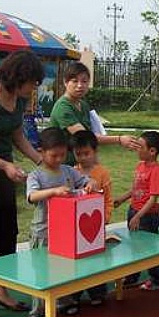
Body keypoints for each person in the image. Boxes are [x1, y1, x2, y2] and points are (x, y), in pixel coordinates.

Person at [0, 50, 44, 317]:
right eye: (32, 82)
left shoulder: (17, 100)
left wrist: (41, 160)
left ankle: (0, 290)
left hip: (4, 174)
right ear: (17, 77)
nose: (33, 89)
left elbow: (17, 135)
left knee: (6, 231)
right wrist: (3, 165)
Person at [26, 127, 97, 317]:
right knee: (42, 270)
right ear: (41, 151)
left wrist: (90, 183)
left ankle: (64, 301)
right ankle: (40, 309)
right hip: (44, 231)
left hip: (66, 230)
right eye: (53, 155)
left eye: (62, 155)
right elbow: (32, 196)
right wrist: (54, 191)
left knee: (64, 268)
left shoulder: (68, 171)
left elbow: (86, 181)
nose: (58, 159)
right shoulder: (36, 175)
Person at [49, 61, 140, 164]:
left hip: (80, 165)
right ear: (66, 82)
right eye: (75, 81)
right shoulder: (63, 107)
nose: (80, 85)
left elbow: (92, 134)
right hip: (61, 166)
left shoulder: (83, 105)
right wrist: (119, 139)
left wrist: (96, 167)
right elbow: (85, 137)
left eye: (84, 81)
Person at [114, 131, 159, 290]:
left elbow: (152, 199)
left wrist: (138, 216)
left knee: (150, 248)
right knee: (134, 245)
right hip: (133, 211)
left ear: (152, 151)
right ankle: (133, 275)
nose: (137, 149)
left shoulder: (156, 171)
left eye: (140, 147)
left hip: (146, 216)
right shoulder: (140, 165)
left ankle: (157, 279)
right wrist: (122, 199)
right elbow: (135, 188)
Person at [72, 129, 113, 306]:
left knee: (96, 259)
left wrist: (106, 217)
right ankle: (74, 295)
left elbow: (108, 199)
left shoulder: (102, 172)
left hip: (97, 225)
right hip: (77, 228)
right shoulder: (72, 172)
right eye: (78, 154)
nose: (82, 157)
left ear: (95, 152)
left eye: (86, 153)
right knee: (77, 263)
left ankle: (97, 293)